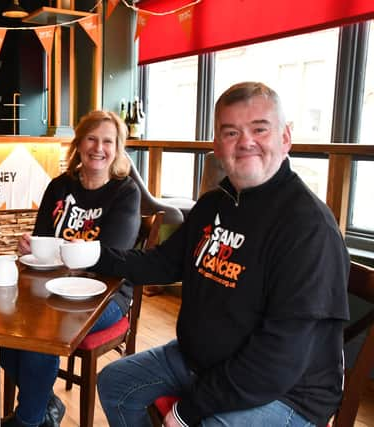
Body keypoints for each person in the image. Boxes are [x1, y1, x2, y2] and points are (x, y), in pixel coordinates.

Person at [94, 82, 350, 427]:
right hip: (199, 361)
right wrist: (94, 255)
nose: (245, 142)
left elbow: (278, 359)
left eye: (260, 129)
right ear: (217, 145)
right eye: (231, 132)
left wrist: (188, 410)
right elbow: (162, 263)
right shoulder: (215, 203)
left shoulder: (308, 228)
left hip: (287, 392)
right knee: (115, 383)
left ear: (285, 137)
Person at [1, 110, 142, 427]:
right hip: (52, 288)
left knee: (46, 330)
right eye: (92, 138)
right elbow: (42, 237)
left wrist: (58, 251)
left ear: (118, 148)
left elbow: (112, 255)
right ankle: (45, 405)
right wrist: (31, 248)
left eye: (108, 141)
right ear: (79, 144)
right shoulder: (59, 186)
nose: (99, 147)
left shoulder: (125, 191)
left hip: (106, 295)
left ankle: (29, 421)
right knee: (5, 324)